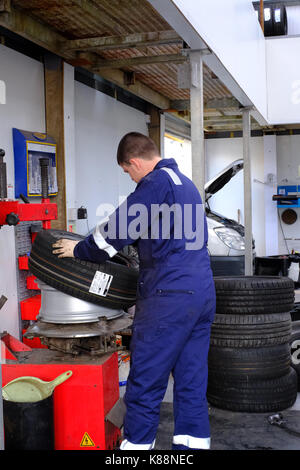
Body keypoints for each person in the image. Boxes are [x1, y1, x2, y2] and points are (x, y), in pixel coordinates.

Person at [52, 132, 216, 450]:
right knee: (191, 384)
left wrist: (79, 250)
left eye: (128, 171)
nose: (130, 178)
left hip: (169, 296)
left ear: (135, 161)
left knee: (145, 384)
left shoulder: (156, 183)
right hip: (201, 293)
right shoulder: (187, 185)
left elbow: (117, 229)